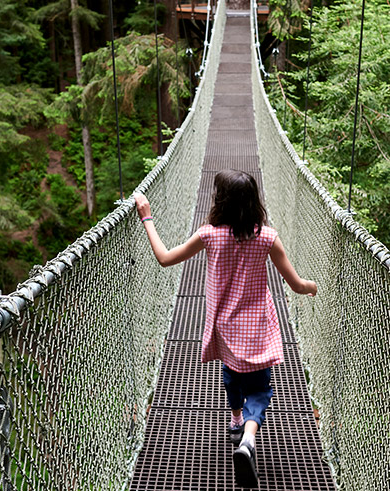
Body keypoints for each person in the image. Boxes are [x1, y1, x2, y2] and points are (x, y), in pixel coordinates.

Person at [134, 169, 317, 488]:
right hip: (257, 329)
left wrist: (147, 217)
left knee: (232, 375)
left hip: (226, 328)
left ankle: (235, 421)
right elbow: (296, 284)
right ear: (254, 202)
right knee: (259, 390)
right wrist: (311, 286)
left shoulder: (208, 235)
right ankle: (248, 437)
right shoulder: (267, 237)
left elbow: (164, 258)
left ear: (220, 201)